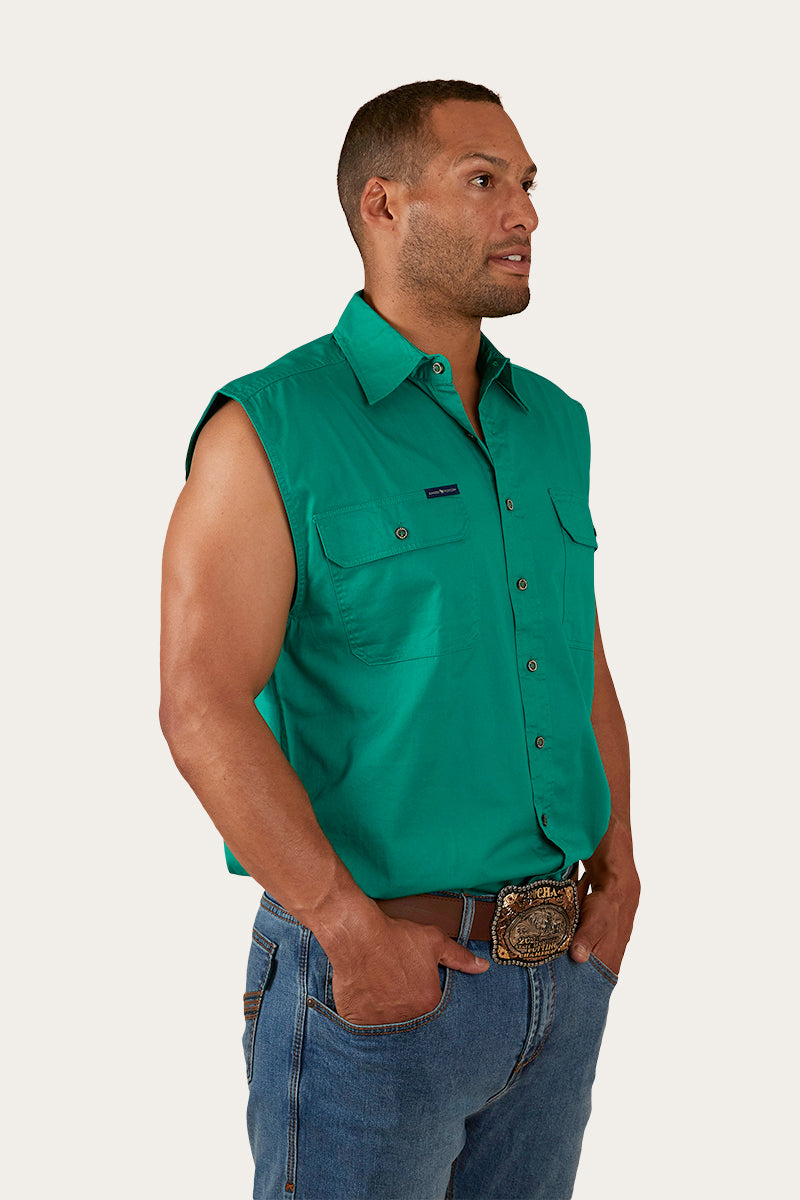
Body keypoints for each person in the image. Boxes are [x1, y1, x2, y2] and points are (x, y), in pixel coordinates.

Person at [160, 79, 640, 1200]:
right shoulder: (270, 426)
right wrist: (346, 931)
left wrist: (619, 870)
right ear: (382, 205)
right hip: (374, 990)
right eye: (483, 181)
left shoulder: (553, 423)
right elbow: (199, 704)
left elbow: (577, 660)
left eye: (527, 184)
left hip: (559, 976)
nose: (524, 212)